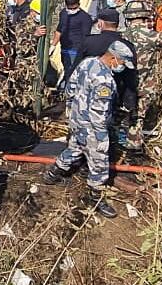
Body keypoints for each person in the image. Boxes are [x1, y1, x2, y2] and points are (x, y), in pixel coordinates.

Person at [44, 41, 136, 217]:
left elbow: (70, 87)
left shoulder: (88, 62)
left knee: (74, 148)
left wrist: (70, 110)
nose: (122, 67)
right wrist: (102, 139)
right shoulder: (105, 81)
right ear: (113, 58)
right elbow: (98, 114)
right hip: (92, 128)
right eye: (122, 63)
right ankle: (95, 199)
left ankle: (52, 174)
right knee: (100, 164)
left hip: (77, 119)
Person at [120, 0, 162, 155]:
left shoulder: (120, 36)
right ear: (146, 18)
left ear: (127, 18)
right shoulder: (153, 37)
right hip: (143, 86)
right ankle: (133, 151)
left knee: (117, 115)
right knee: (137, 117)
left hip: (123, 86)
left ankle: (112, 147)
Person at [52, 0, 93, 90]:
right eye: (70, 8)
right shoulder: (63, 13)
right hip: (65, 48)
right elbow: (59, 30)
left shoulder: (85, 18)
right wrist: (53, 45)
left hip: (76, 49)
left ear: (78, 4)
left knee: (74, 72)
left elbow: (86, 37)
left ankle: (72, 91)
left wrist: (82, 52)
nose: (72, 11)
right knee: (67, 70)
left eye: (74, 8)